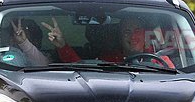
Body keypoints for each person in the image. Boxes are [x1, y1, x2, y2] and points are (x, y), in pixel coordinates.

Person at [41, 15, 176, 68]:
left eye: (137, 31)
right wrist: (63, 46)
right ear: (120, 37)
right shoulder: (108, 59)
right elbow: (80, 68)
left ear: (145, 34)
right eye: (127, 32)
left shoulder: (161, 61)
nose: (133, 36)